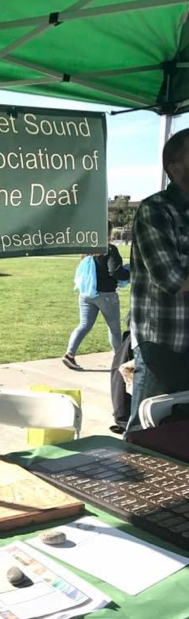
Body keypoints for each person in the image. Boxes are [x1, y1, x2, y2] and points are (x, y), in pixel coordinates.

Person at [126, 127, 189, 432]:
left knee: (181, 431)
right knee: (145, 433)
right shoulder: (156, 210)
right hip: (161, 343)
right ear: (174, 169)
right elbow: (172, 278)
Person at [62, 220, 129, 370]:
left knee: (84, 325)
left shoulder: (87, 250)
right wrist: (130, 272)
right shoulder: (109, 250)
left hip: (86, 294)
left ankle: (69, 354)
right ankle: (120, 359)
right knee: (113, 328)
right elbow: (115, 272)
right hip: (106, 295)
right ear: (109, 232)